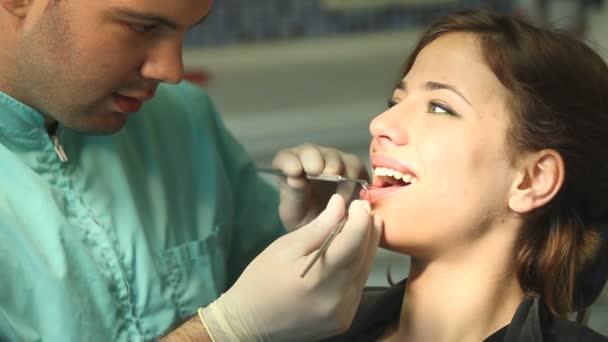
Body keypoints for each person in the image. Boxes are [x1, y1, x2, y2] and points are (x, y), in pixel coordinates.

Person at [0, 0, 383, 341]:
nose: (172, 70)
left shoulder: (183, 118)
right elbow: (242, 318)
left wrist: (309, 244)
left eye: (187, 29)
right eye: (142, 26)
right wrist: (221, 330)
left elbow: (264, 297)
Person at [326, 8, 608, 341]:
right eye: (395, 102)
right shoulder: (318, 326)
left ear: (532, 179)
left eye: (439, 107)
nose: (380, 124)